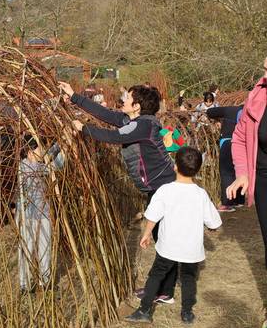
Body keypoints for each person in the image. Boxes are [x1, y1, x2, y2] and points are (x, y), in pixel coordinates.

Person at [59, 81, 178, 302]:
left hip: (164, 188)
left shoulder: (144, 125)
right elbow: (106, 115)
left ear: (138, 106)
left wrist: (83, 129)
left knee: (163, 237)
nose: (123, 98)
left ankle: (163, 290)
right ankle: (165, 286)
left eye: (128, 96)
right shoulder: (132, 121)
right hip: (157, 187)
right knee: (161, 236)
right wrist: (74, 96)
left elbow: (116, 137)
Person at [125, 147, 222, 324]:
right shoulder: (201, 194)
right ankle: (186, 313)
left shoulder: (165, 190)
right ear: (198, 169)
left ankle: (144, 310)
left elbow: (152, 216)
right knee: (188, 278)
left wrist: (146, 234)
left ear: (175, 166)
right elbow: (214, 223)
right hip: (191, 249)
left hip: (167, 247)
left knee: (156, 275)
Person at [228, 57, 267, 271]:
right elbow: (240, 137)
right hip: (263, 179)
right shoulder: (257, 96)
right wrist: (242, 174)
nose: (265, 76)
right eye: (264, 69)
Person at [17, 134, 66, 292]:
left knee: (44, 247)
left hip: (42, 213)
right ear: (30, 152)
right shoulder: (26, 168)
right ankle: (25, 284)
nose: (43, 151)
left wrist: (61, 141)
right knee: (27, 249)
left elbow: (48, 155)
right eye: (40, 148)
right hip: (28, 216)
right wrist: (64, 149)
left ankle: (43, 281)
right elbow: (54, 164)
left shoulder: (36, 163)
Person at [207, 104, 245, 212]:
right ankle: (239, 200)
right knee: (238, 170)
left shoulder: (230, 109)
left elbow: (210, 111)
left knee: (226, 172)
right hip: (243, 144)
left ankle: (227, 204)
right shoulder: (250, 111)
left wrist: (219, 119)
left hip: (229, 142)